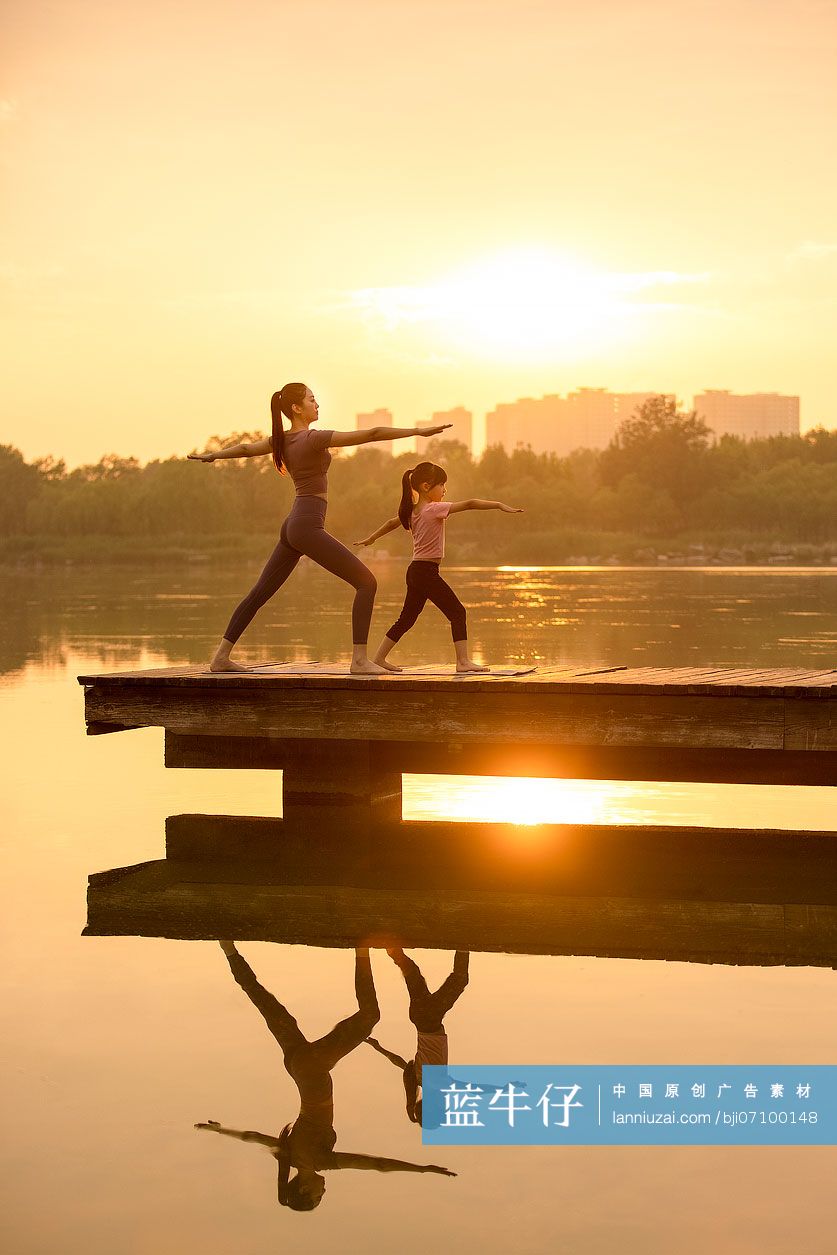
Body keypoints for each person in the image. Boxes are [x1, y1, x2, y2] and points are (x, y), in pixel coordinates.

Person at [188, 385, 451, 674]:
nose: (317, 404)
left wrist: (215, 456)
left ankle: (221, 657)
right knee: (367, 582)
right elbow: (372, 434)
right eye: (312, 400)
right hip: (307, 525)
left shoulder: (281, 440)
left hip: (293, 525)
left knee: (259, 593)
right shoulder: (314, 439)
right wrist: (416, 432)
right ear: (297, 409)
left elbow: (246, 449)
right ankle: (360, 661)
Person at [195, 942, 456, 1211]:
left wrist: (423, 1169)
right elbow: (252, 1136)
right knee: (266, 1005)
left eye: (318, 1196)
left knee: (369, 1016)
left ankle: (362, 947)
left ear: (305, 1190)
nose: (323, 1192)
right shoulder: (287, 1156)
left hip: (314, 1070)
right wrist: (220, 1130)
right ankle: (229, 950)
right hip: (297, 1068)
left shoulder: (318, 1161)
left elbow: (376, 1164)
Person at [354, 461, 521, 672]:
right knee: (458, 612)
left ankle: (378, 658)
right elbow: (469, 504)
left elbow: (390, 523)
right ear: (426, 487)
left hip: (415, 571)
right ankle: (462, 662)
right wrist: (498, 505)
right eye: (441, 485)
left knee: (406, 618)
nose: (445, 490)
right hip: (425, 572)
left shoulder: (411, 511)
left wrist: (371, 539)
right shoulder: (434, 509)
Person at [365, 948, 470, 1126]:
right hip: (419, 1018)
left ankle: (464, 942)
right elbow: (400, 1063)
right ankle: (391, 947)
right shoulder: (419, 1079)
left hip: (430, 1019)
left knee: (460, 978)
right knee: (412, 972)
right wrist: (378, 1048)